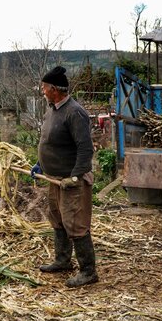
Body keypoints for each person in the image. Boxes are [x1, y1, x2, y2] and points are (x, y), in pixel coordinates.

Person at [30, 66, 98, 287]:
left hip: (71, 181)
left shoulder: (74, 112)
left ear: (54, 90)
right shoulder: (52, 110)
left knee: (76, 223)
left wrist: (76, 176)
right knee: (57, 219)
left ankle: (88, 272)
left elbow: (85, 148)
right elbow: (49, 142)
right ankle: (62, 261)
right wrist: (40, 164)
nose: (42, 90)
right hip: (54, 179)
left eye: (44, 87)